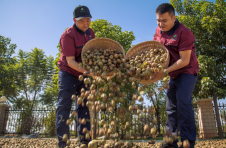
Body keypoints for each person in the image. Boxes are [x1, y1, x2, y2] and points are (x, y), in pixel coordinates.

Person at [153, 3, 199, 148]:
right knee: (171, 106)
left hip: (187, 71)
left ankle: (188, 142)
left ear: (174, 18)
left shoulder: (184, 32)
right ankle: (170, 142)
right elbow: (156, 50)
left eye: (164, 20)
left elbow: (184, 60)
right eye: (158, 20)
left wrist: (164, 72)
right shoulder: (159, 30)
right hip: (173, 72)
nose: (161, 24)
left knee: (183, 102)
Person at [56, 5, 95, 148]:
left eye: (88, 20)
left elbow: (91, 54)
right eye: (82, 21)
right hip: (69, 73)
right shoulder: (68, 35)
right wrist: (88, 72)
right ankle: (63, 143)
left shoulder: (90, 33)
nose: (86, 24)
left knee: (84, 106)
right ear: (74, 20)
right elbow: (70, 61)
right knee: (64, 106)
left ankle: (85, 141)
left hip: (84, 74)